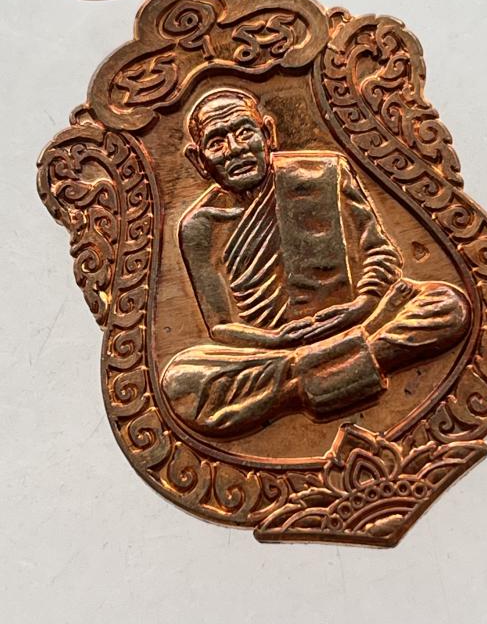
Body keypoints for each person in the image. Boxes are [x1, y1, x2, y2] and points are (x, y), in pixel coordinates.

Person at [161, 88, 470, 438]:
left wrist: (363, 306)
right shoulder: (199, 226)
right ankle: (348, 364)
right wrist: (276, 340)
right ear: (198, 159)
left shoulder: (324, 172)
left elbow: (380, 253)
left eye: (245, 132)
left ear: (268, 134)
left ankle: (300, 384)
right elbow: (220, 327)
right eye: (217, 142)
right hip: (278, 351)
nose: (235, 149)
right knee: (182, 382)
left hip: (358, 321)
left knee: (446, 304)